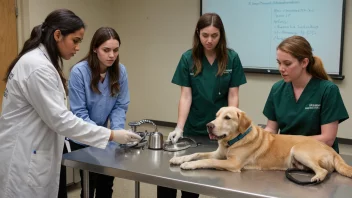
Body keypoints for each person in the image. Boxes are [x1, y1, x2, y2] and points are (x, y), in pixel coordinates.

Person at [0, 9, 141, 198]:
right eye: (75, 41)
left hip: (37, 150)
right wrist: (112, 134)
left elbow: (119, 106)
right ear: (58, 35)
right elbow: (63, 119)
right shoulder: (39, 68)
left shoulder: (41, 62)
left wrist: (112, 134)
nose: (77, 48)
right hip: (26, 157)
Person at [158, 13, 247, 198]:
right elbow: (185, 96)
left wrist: (232, 129)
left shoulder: (231, 58)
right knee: (173, 175)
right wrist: (179, 127)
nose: (209, 40)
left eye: (214, 36)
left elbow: (233, 95)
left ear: (221, 35)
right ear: (198, 33)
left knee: (193, 185)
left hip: (220, 130)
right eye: (205, 35)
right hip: (194, 126)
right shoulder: (188, 58)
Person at [67, 27, 128, 198]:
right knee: (89, 184)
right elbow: (79, 112)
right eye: (106, 50)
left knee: (106, 184)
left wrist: (116, 134)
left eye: (115, 50)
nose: (111, 55)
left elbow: (120, 106)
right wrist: (108, 134)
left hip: (107, 137)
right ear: (95, 48)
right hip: (83, 136)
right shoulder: (79, 72)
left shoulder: (120, 71)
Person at [263, 35, 349, 153]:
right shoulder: (277, 89)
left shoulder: (328, 90)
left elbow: (327, 139)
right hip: (286, 157)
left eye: (287, 64)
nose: (281, 69)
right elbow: (271, 128)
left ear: (304, 62)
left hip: (319, 156)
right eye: (279, 63)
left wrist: (286, 144)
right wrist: (259, 139)